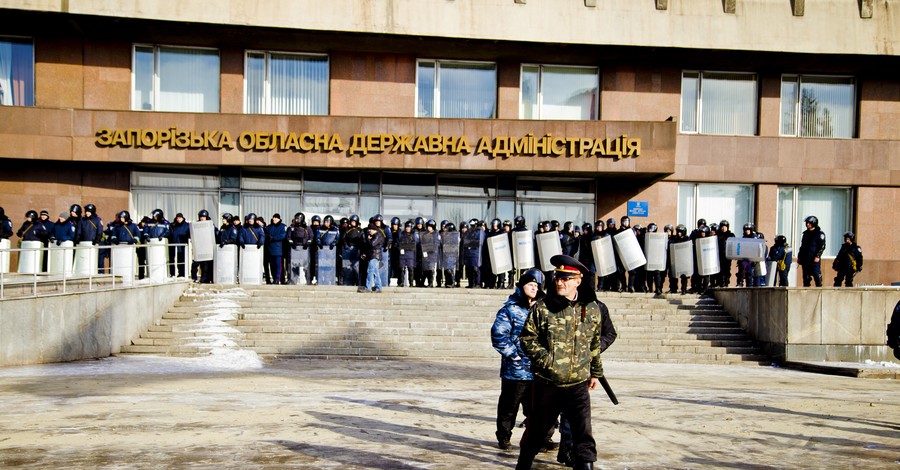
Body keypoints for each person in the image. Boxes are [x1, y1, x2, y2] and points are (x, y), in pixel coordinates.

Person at [517, 254, 610, 470]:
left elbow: (594, 343)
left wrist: (595, 372)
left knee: (583, 435)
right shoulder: (543, 308)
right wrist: (548, 361)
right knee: (536, 433)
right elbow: (527, 339)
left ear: (578, 280)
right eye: (558, 277)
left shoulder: (592, 309)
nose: (560, 282)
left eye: (566, 278)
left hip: (578, 385)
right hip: (547, 384)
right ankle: (523, 466)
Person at [491, 269, 545, 451]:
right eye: (530, 285)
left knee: (538, 409)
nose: (534, 288)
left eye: (536, 286)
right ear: (522, 287)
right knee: (509, 406)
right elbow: (499, 334)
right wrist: (513, 355)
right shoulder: (510, 309)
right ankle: (504, 436)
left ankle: (542, 439)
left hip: (538, 369)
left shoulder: (542, 308)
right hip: (515, 370)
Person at [798, 215, 826, 287]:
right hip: (806, 259)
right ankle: (806, 289)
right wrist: (799, 256)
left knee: (816, 275)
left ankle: (819, 289)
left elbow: (822, 246)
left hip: (814, 259)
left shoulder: (819, 234)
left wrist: (818, 255)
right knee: (806, 276)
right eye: (807, 223)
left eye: (809, 223)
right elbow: (802, 246)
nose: (807, 224)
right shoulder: (806, 234)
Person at [360, 221, 385, 293]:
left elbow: (372, 244)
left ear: (374, 230)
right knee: (375, 272)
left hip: (375, 256)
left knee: (370, 271)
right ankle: (378, 287)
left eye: (370, 230)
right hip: (373, 256)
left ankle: (368, 287)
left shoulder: (377, 235)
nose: (369, 231)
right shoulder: (375, 236)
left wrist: (368, 239)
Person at [265, 214, 288, 285]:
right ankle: (274, 278)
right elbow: (266, 234)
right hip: (270, 249)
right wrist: (268, 237)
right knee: (272, 265)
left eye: (275, 218)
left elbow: (283, 236)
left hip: (278, 250)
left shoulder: (283, 226)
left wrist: (273, 238)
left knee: (278, 265)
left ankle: (277, 280)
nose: (274, 219)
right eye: (273, 218)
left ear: (279, 219)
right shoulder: (269, 227)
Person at [168, 213, 190, 277]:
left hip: (182, 245)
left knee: (181, 260)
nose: (178, 219)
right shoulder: (173, 225)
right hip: (174, 244)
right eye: (177, 218)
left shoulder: (187, 225)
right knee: (172, 259)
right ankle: (172, 273)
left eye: (180, 218)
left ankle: (182, 274)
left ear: (182, 218)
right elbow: (170, 233)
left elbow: (189, 234)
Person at [716, 220, 735, 287]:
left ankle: (726, 282)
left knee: (726, 269)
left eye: (725, 227)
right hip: (719, 255)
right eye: (722, 227)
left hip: (727, 256)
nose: (723, 228)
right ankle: (720, 282)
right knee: (719, 270)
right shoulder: (718, 235)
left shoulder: (730, 235)